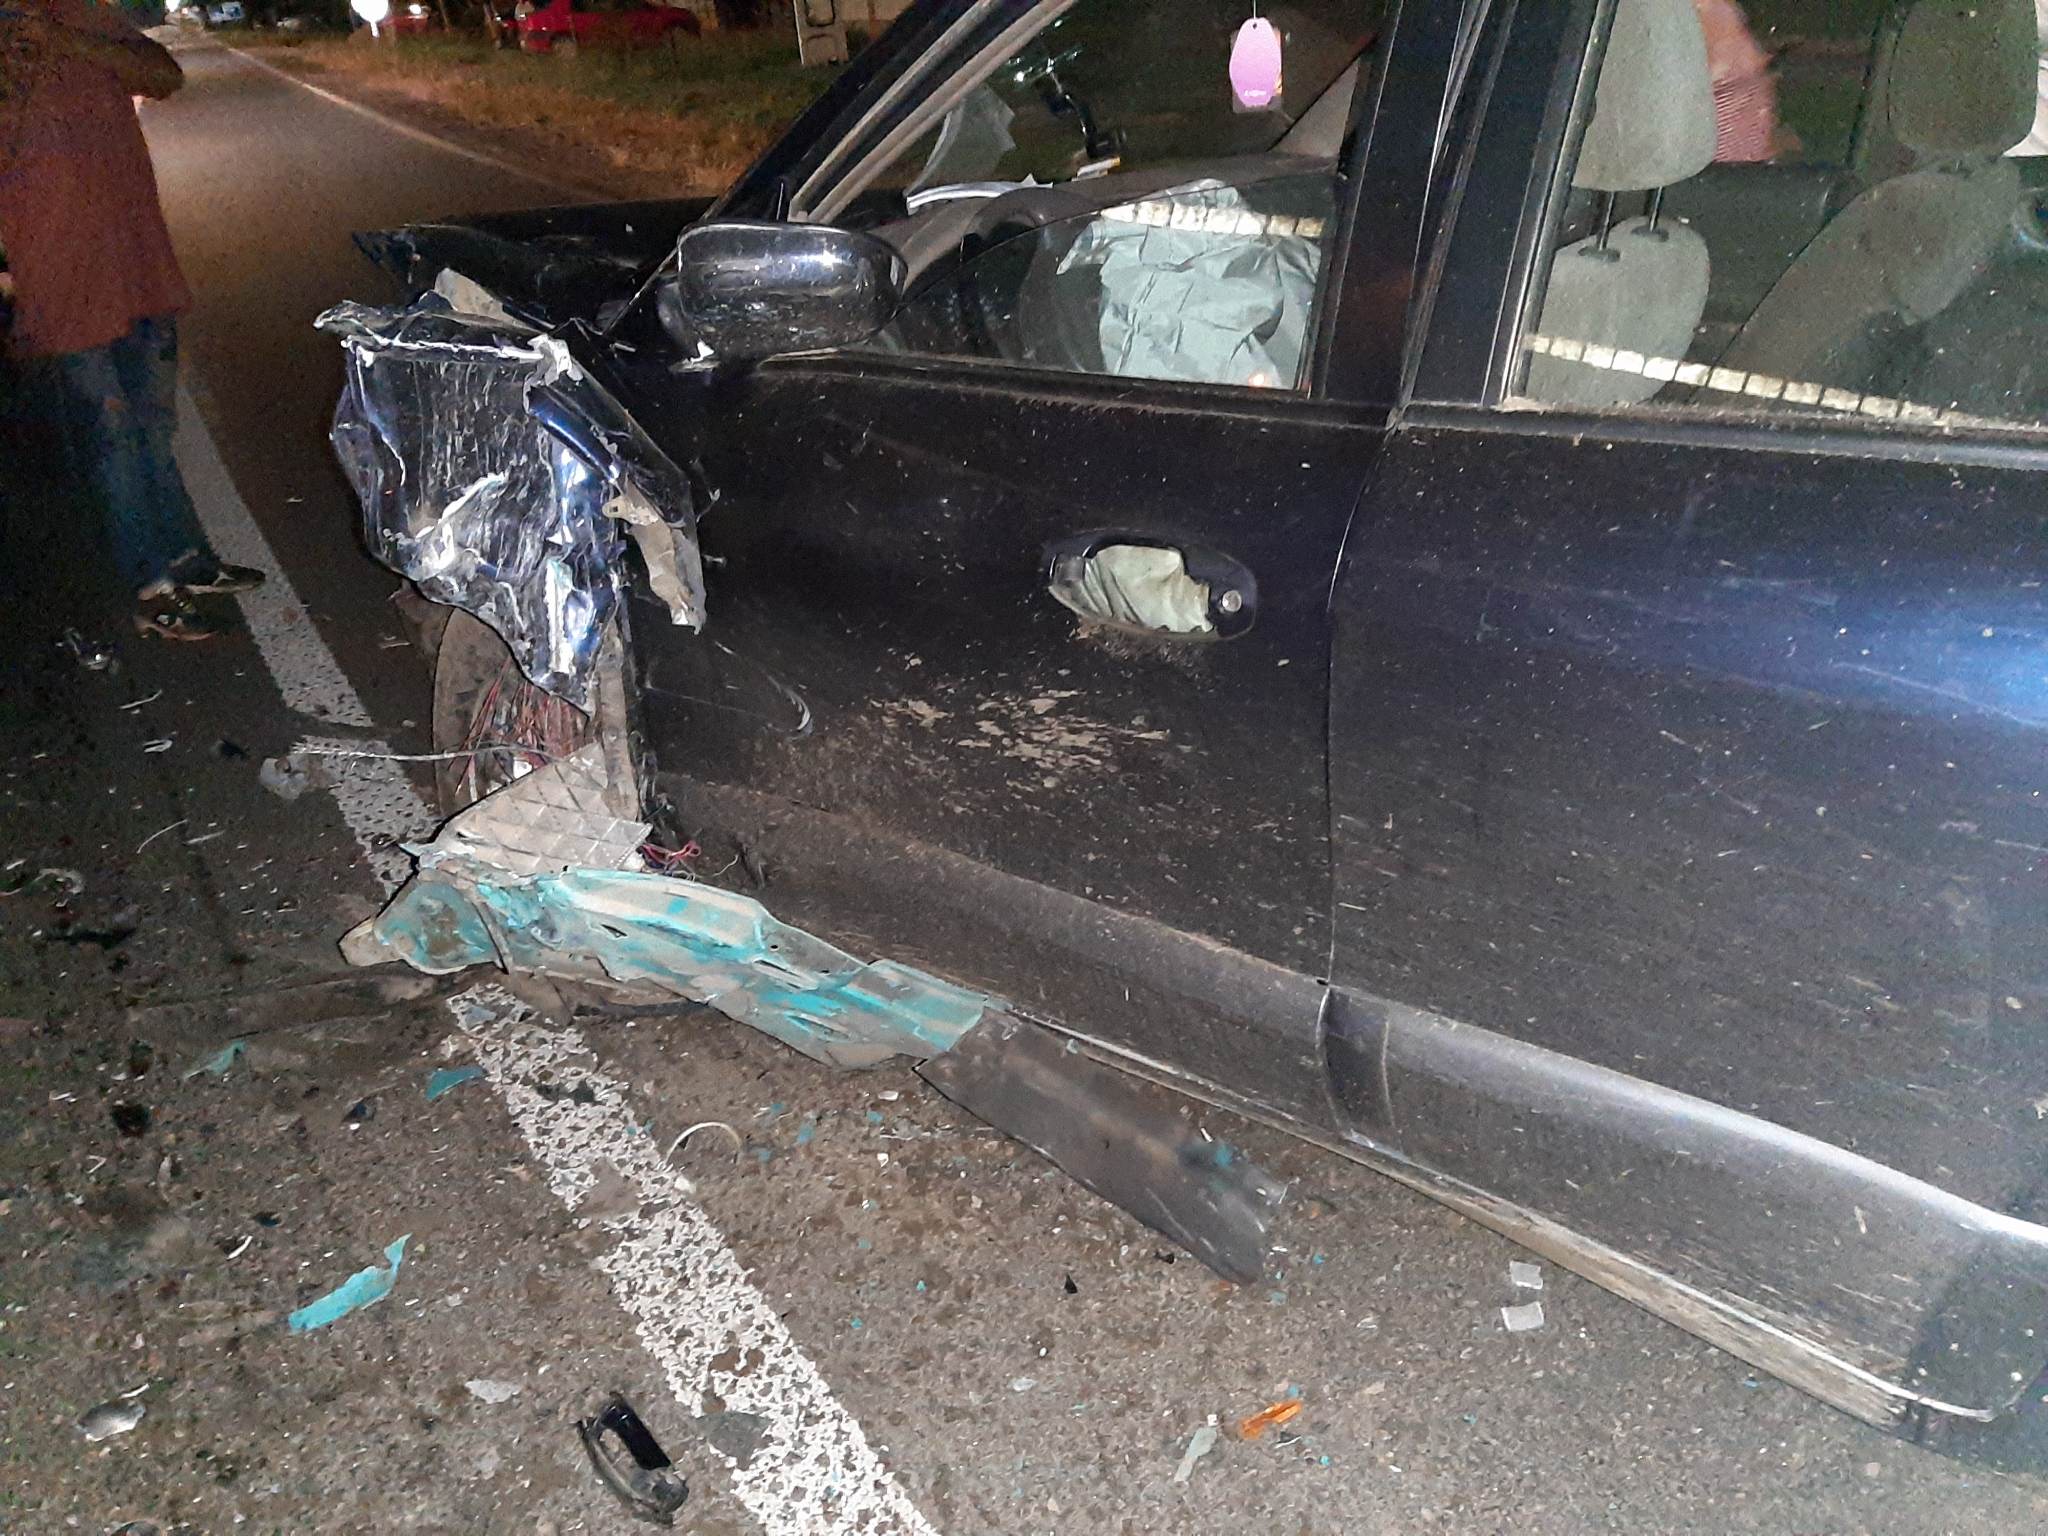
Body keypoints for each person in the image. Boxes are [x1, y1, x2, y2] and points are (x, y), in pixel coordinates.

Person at [0, 0, 263, 641]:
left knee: (154, 425)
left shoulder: (85, 18)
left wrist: (63, 38)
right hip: (63, 279)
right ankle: (150, 587)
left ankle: (188, 560)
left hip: (137, 261)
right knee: (112, 435)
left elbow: (163, 75)